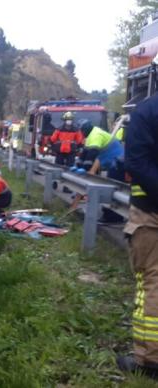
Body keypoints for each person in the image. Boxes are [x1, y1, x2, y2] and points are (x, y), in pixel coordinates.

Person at [117, 95, 158, 378]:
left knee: (152, 280)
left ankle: (149, 361)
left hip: (150, 213)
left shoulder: (148, 111)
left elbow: (136, 163)